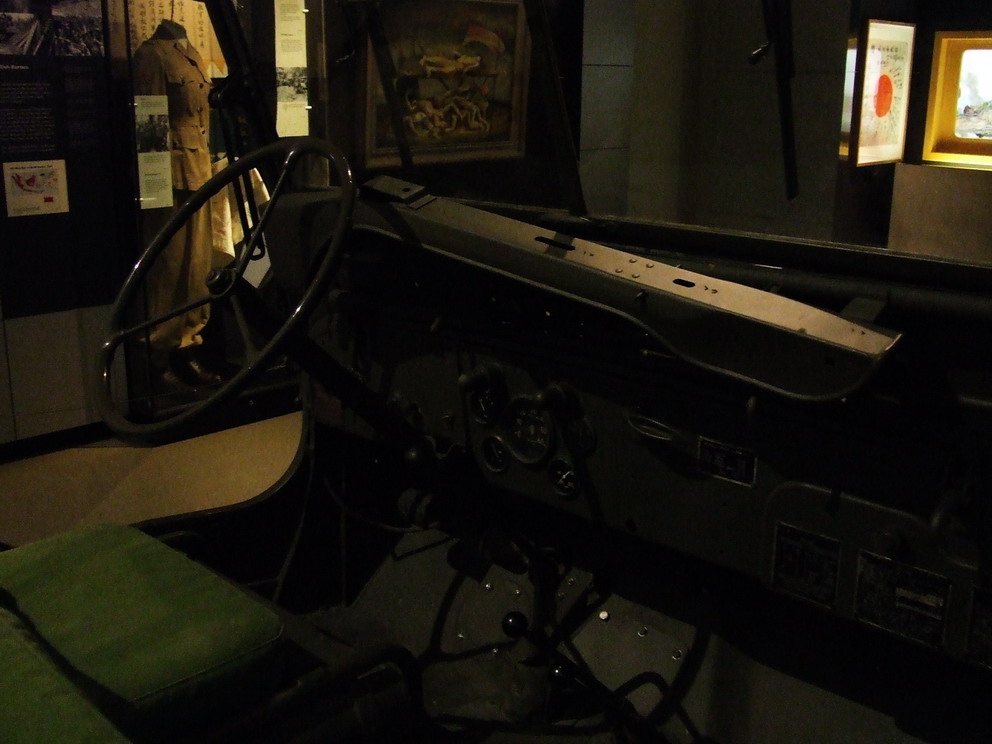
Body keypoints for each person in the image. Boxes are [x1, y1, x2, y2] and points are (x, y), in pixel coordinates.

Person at [132, 18, 223, 388]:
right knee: (168, 269)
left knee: (197, 266)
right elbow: (149, 125)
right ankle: (157, 355)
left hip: (198, 172)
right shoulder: (152, 55)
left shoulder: (192, 54)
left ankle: (187, 344)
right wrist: (154, 185)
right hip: (169, 178)